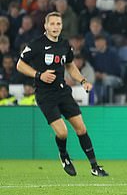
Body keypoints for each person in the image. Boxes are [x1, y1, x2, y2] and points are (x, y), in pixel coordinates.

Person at [16, 12, 108, 177]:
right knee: (63, 132)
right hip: (45, 95)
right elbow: (20, 65)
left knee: (81, 128)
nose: (55, 27)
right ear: (45, 26)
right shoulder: (36, 44)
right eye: (52, 24)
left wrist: (83, 81)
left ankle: (95, 167)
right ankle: (64, 156)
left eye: (58, 24)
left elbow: (70, 66)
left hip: (62, 92)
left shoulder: (65, 45)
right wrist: (39, 75)